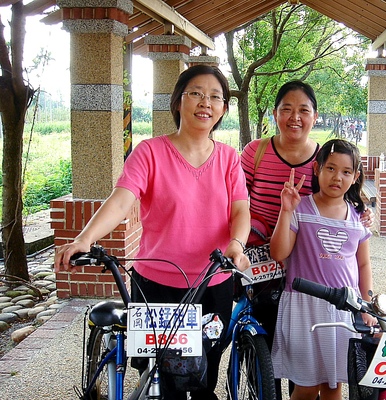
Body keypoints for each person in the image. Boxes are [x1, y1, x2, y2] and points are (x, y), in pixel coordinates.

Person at [54, 65, 251, 400]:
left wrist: (237, 244)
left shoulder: (229, 158)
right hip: (156, 288)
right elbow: (120, 202)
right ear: (178, 102)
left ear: (223, 109)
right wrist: (85, 239)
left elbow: (239, 210)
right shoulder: (150, 152)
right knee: (161, 379)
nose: (206, 103)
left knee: (205, 376)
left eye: (215, 97)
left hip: (212, 284)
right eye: (196, 93)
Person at [239, 80, 373, 398]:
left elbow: (361, 258)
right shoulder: (255, 152)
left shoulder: (345, 196)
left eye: (303, 110)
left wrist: (362, 208)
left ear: (315, 116)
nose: (294, 117)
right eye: (286, 108)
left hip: (334, 299)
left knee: (333, 381)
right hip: (271, 269)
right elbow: (234, 200)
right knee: (293, 369)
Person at [270, 139, 376, 400]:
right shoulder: (301, 208)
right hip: (304, 308)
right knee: (305, 388)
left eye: (346, 171)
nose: (337, 177)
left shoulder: (357, 217)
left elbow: (363, 264)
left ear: (356, 177)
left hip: (343, 309)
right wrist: (286, 211)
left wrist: (367, 304)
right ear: (316, 169)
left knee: (333, 386)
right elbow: (279, 253)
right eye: (330, 168)